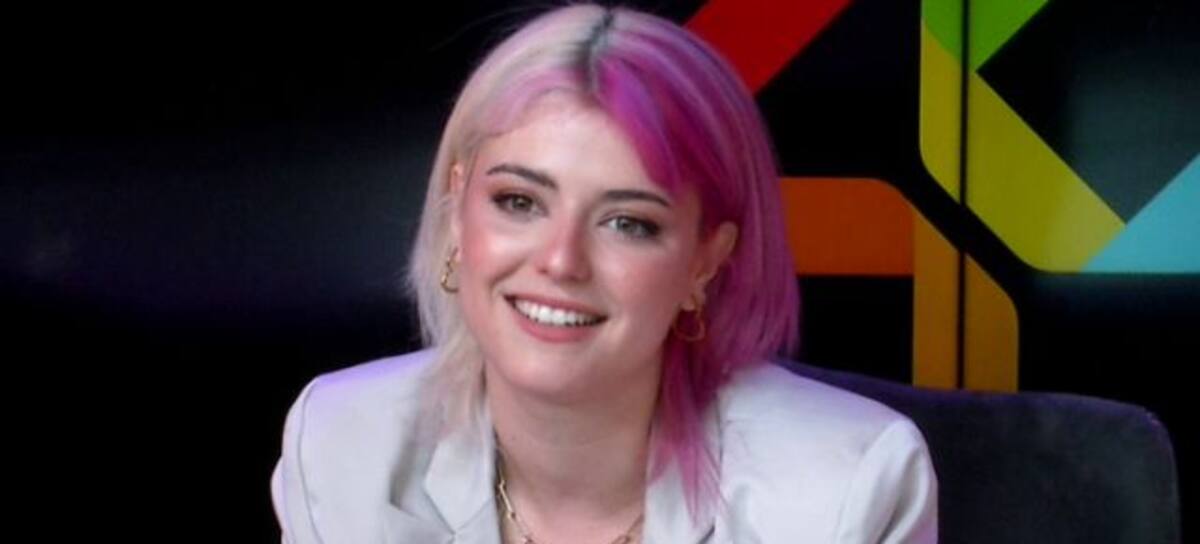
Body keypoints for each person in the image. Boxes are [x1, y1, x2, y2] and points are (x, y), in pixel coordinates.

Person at [270, 4, 937, 543]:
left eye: (628, 222)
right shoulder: (342, 444)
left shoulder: (846, 491)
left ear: (705, 261)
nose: (561, 260)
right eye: (519, 202)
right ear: (455, 212)